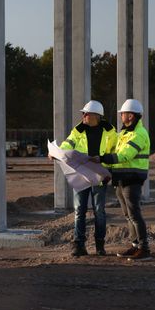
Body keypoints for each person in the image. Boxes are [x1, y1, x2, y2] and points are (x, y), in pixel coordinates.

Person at [57, 100, 117, 257]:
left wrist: (110, 174)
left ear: (96, 116)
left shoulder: (111, 133)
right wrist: (56, 153)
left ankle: (100, 246)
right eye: (83, 113)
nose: (83, 116)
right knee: (79, 210)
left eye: (86, 113)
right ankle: (79, 246)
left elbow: (114, 154)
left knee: (99, 211)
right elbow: (66, 146)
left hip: (99, 175)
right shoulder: (78, 131)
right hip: (81, 175)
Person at [98, 99, 151, 261]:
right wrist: (101, 165)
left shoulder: (139, 134)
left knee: (134, 214)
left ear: (132, 115)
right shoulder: (124, 134)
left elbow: (125, 155)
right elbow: (115, 154)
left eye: (123, 113)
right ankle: (135, 245)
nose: (121, 116)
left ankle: (144, 248)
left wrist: (101, 158)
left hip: (132, 179)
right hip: (121, 178)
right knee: (128, 215)